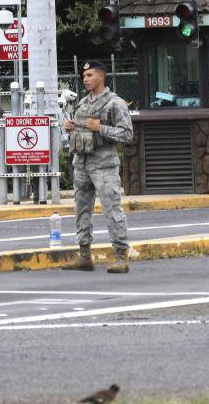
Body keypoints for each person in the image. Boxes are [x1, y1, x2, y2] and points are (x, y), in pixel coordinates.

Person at [63, 60, 134, 273]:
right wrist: (71, 127)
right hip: (81, 164)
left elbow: (127, 134)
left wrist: (101, 128)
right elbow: (82, 131)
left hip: (104, 165)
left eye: (90, 75)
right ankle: (84, 255)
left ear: (101, 76)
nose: (85, 79)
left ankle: (121, 256)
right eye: (84, 76)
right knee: (81, 210)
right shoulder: (82, 103)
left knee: (112, 209)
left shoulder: (115, 103)